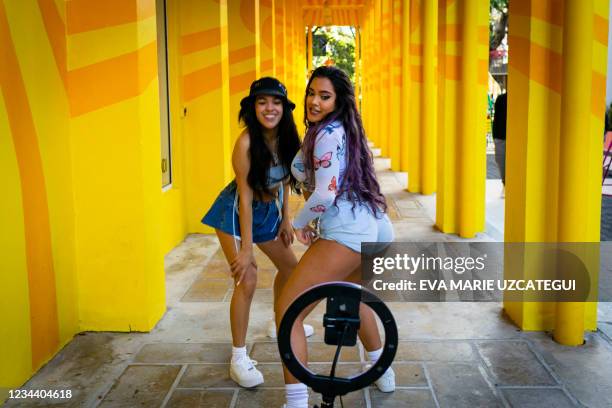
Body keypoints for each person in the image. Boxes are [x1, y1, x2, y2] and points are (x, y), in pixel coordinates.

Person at [275, 66, 396, 408]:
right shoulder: (335, 130)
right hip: (373, 225)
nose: (314, 101)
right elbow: (300, 167)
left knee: (288, 311)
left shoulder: (326, 135)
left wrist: (300, 223)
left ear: (338, 101)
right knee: (354, 297)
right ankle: (381, 372)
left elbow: (325, 195)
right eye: (311, 93)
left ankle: (296, 402)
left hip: (348, 231)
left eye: (324, 96)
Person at [201, 77, 313, 388]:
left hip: (268, 214)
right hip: (235, 215)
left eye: (276, 102)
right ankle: (238, 357)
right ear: (253, 107)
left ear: (284, 108)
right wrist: (247, 249)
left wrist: (287, 220)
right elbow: (245, 200)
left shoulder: (290, 140)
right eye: (262, 101)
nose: (269, 108)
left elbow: (287, 182)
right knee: (247, 278)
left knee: (292, 269)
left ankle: (281, 322)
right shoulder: (246, 143)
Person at [492, 92, 507, 197]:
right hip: (501, 136)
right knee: (500, 161)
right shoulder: (501, 99)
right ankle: (505, 184)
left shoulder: (521, 98)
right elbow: (496, 118)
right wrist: (495, 136)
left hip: (516, 137)